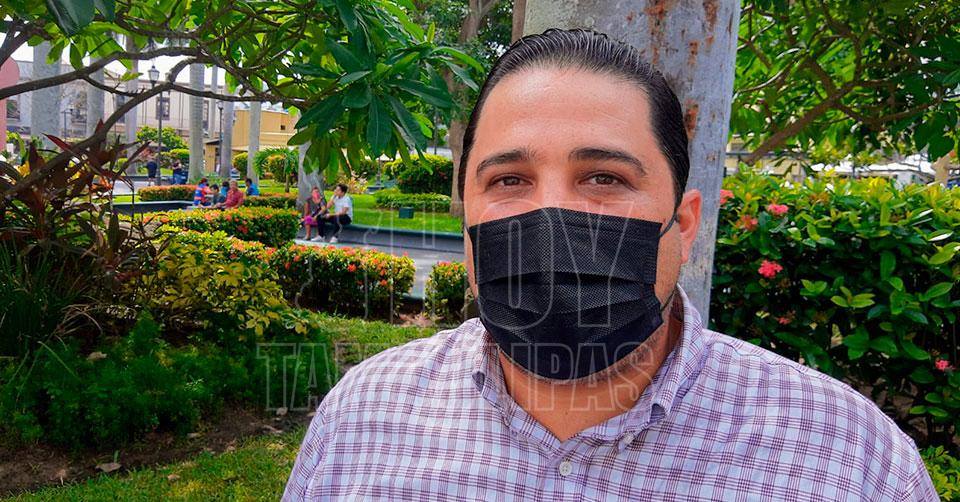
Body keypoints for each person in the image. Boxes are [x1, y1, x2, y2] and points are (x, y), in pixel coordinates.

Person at [284, 29, 936, 500]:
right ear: (468, 220)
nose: (553, 217)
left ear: (683, 224)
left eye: (604, 177)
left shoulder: (851, 461)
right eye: (509, 180)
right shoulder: (359, 416)